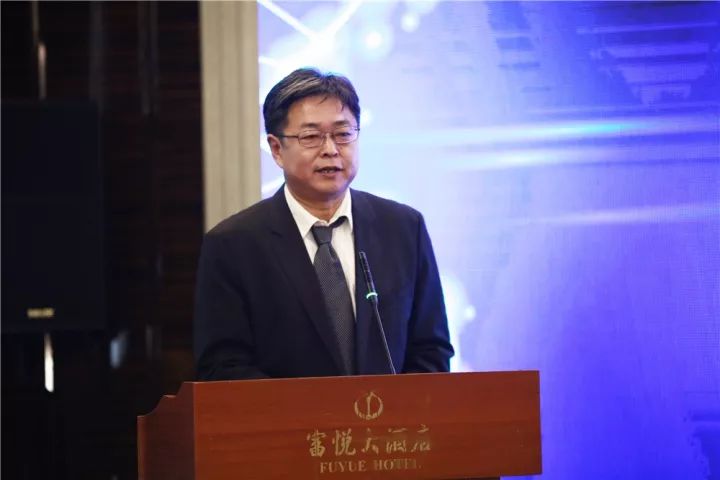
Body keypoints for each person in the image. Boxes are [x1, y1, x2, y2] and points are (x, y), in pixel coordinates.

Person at [194, 68, 453, 380]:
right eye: (311, 137)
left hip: (389, 414)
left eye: (343, 134)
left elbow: (431, 350)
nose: (330, 149)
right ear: (276, 149)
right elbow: (223, 366)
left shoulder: (404, 229)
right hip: (287, 414)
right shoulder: (234, 245)